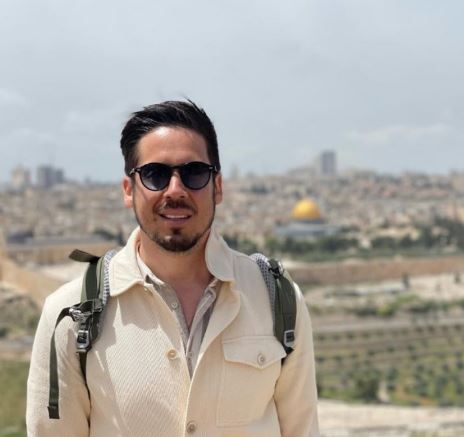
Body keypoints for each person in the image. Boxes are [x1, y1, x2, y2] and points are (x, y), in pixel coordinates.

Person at [26, 100, 320, 436]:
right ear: (128, 190)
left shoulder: (277, 300)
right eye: (155, 175)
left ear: (218, 187)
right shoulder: (70, 314)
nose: (176, 190)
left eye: (194, 173)